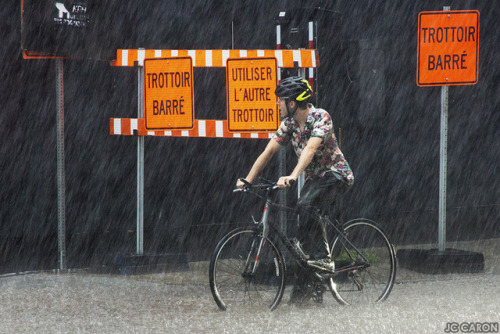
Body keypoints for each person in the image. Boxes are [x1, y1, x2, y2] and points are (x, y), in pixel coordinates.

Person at [236, 76, 354, 304]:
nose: (277, 105)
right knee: (302, 242)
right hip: (315, 180)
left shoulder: (321, 117)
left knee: (305, 204)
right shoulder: (289, 124)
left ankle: (324, 258)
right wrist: (248, 179)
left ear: (292, 103)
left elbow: (310, 149)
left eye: (280, 101)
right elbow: (268, 151)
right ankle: (307, 290)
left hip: (336, 175)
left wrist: (292, 176)